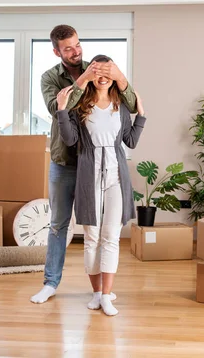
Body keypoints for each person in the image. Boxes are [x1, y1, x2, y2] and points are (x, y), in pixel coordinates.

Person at [30, 25, 138, 304]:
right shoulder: (50, 78)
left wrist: (120, 78)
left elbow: (131, 104)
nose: (76, 51)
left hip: (100, 164)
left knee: (101, 230)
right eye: (68, 48)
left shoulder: (98, 68)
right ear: (57, 51)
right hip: (66, 161)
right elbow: (58, 111)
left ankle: (101, 292)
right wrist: (82, 82)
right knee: (58, 224)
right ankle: (50, 283)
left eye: (77, 45)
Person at [56, 54, 146, 316]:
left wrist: (141, 115)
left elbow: (130, 141)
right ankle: (96, 293)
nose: (103, 77)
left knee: (111, 237)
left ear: (115, 76)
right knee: (92, 238)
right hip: (89, 176)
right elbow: (71, 140)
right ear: (91, 76)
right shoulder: (80, 107)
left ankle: (106, 296)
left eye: (109, 72)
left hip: (117, 178)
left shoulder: (121, 108)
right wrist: (62, 110)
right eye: (98, 72)